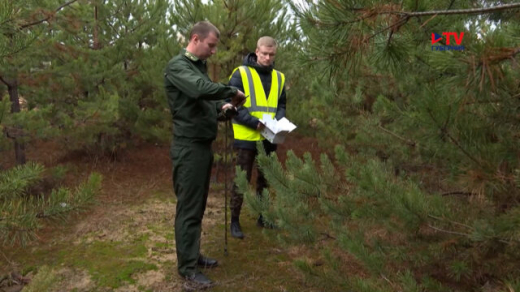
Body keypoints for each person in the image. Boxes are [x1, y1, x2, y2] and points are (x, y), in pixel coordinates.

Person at [164, 21, 246, 287]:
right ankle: (187, 269)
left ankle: (192, 254)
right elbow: (200, 90)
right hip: (188, 148)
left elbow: (205, 105)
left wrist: (224, 111)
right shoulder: (178, 66)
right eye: (210, 46)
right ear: (196, 39)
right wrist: (231, 91)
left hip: (201, 146)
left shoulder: (197, 68)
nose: (213, 51)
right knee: (188, 208)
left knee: (197, 207)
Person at [228, 36, 286, 239]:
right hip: (247, 135)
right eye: (264, 54)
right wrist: (255, 123)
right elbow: (231, 105)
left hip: (269, 137)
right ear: (256, 51)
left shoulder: (279, 77)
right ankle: (234, 221)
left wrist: (278, 121)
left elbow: (281, 104)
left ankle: (263, 216)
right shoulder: (241, 73)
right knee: (241, 179)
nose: (268, 58)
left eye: (272, 54)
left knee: (265, 178)